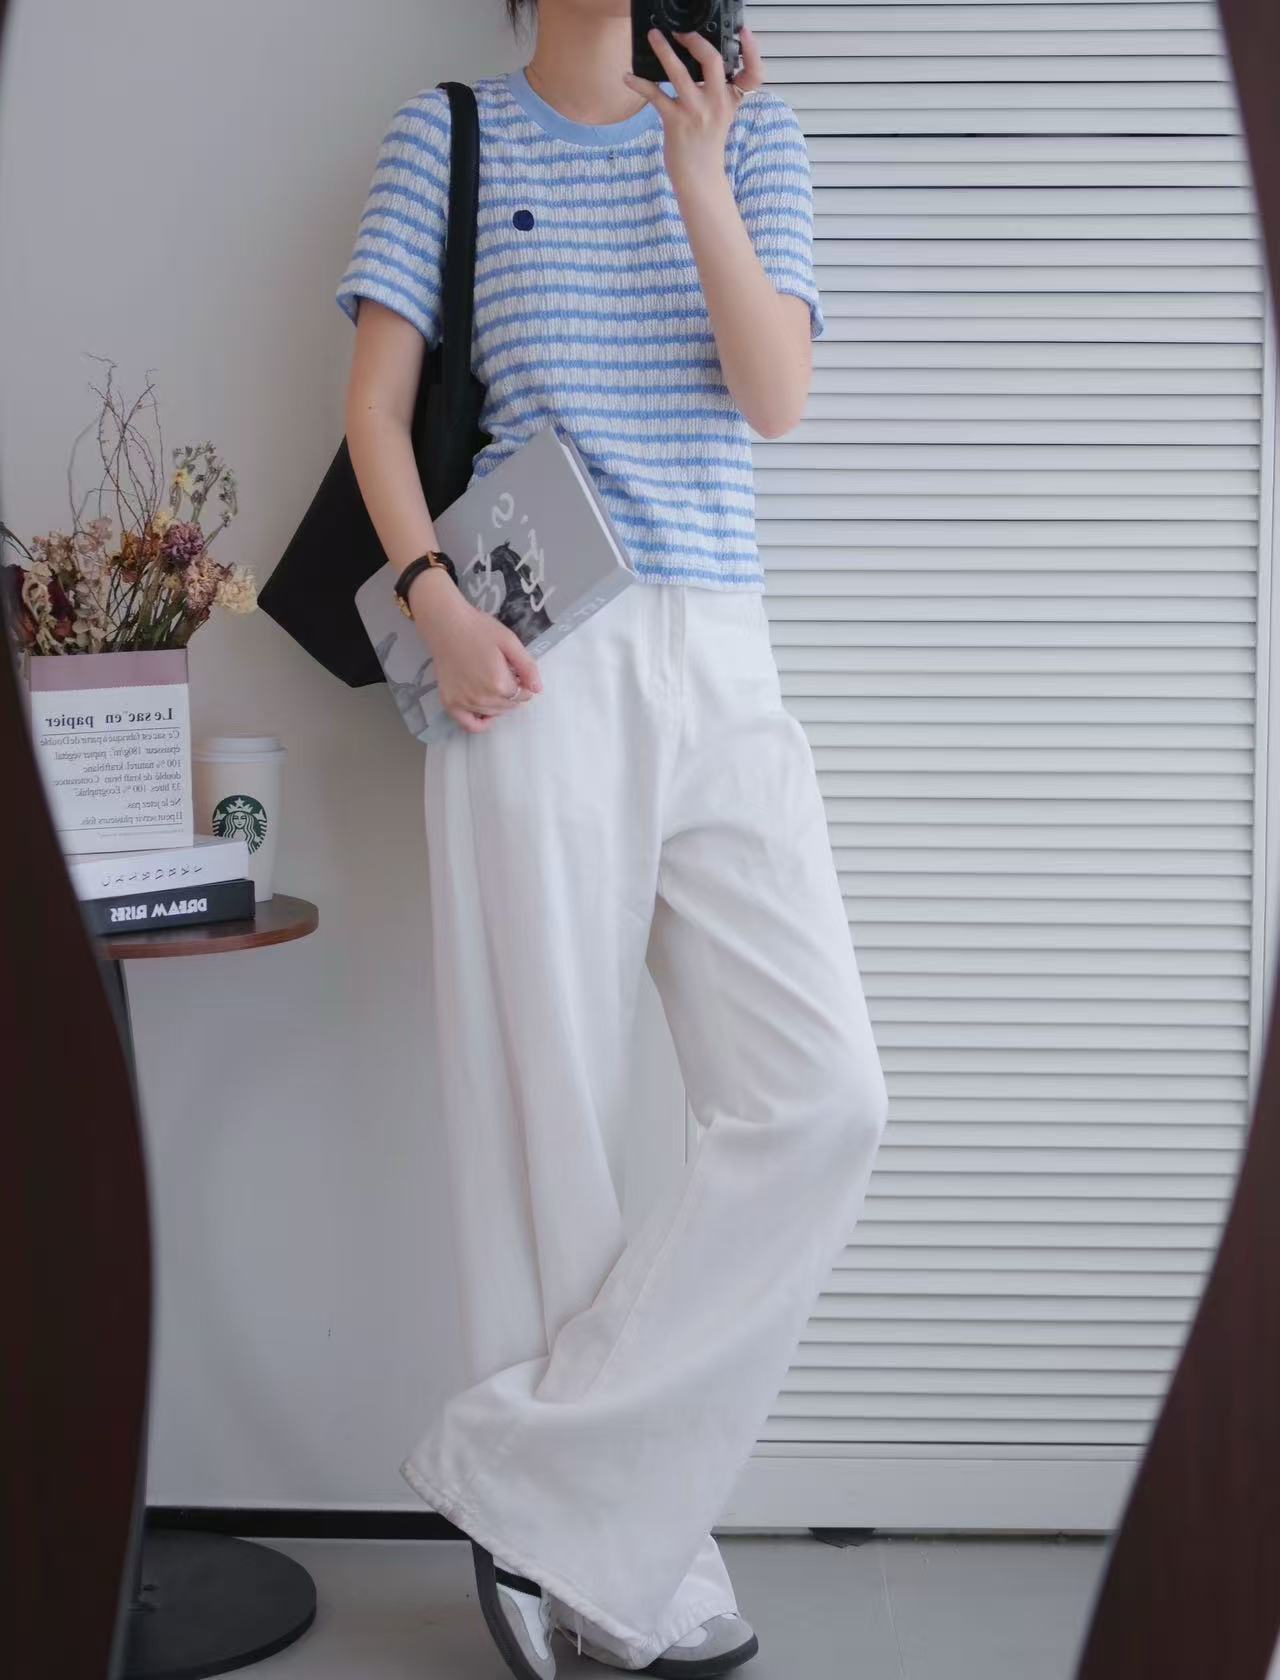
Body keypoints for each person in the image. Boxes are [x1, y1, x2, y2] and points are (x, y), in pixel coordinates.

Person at [335, 2, 889, 1675]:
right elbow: (377, 412)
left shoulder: (755, 136)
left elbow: (775, 399)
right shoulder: (449, 130)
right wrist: (432, 603)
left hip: (720, 651)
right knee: (550, 1118)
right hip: (530, 649)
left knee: (823, 1100)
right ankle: (607, 1561)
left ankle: (541, 1496)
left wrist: (699, 169)